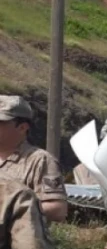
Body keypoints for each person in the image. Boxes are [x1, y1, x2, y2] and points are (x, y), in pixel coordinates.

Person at [0, 96, 68, 224]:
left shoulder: (40, 160)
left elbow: (57, 209)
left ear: (22, 127)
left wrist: (9, 211)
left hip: (17, 240)